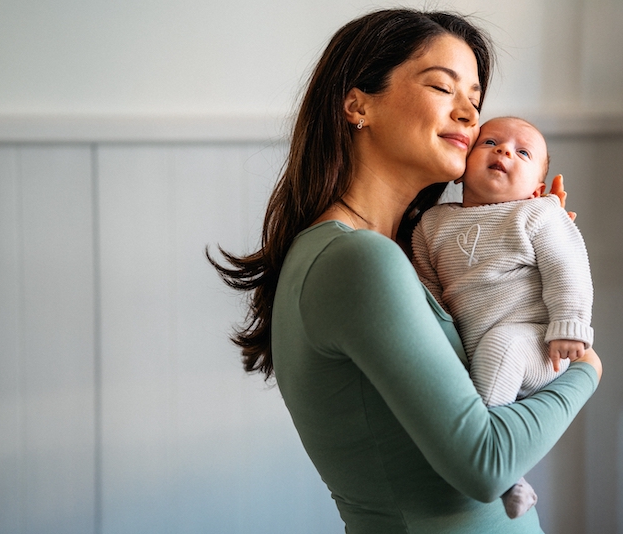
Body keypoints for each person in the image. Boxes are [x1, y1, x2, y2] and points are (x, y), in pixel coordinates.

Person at [208, 9, 602, 533]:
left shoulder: (388, 252)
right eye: (442, 87)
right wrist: (587, 371)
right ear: (358, 105)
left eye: (475, 100)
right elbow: (484, 463)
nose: (468, 115)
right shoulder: (358, 260)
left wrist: (517, 254)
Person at [411, 116, 594, 518]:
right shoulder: (432, 224)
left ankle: (492, 459)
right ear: (461, 168)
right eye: (490, 142)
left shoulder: (538, 214)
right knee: (483, 360)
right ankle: (512, 477)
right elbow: (428, 288)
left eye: (522, 152)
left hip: (537, 345)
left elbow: (568, 267)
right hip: (477, 353)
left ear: (537, 190)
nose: (504, 150)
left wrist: (569, 324)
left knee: (503, 345)